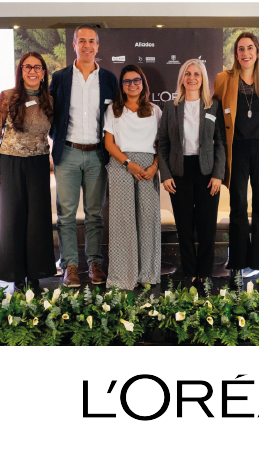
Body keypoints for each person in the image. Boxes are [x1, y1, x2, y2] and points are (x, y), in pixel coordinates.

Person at [50, 24, 118, 287]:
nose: (87, 45)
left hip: (97, 155)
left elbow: (116, 116)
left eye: (91, 41)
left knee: (94, 214)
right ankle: (70, 266)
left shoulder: (109, 79)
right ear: (74, 45)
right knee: (66, 215)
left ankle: (94, 263)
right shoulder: (60, 78)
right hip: (67, 153)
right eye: (82, 41)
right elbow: (49, 113)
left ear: (98, 46)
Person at [213, 32, 259, 285]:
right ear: (236, 54)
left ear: (258, 51)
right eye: (241, 49)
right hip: (236, 148)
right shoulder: (224, 79)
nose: (245, 53)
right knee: (238, 206)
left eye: (250, 48)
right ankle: (238, 265)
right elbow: (215, 110)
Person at [0, 52, 56, 292]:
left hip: (38, 163)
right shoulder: (7, 97)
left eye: (37, 67)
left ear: (43, 72)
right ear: (21, 71)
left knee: (38, 218)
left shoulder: (50, 100)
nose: (32, 71)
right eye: (28, 67)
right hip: (11, 161)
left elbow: (55, 132)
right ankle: (16, 274)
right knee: (13, 217)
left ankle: (36, 274)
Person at [158, 59, 226, 288]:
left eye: (196, 74)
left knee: (207, 225)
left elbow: (220, 144)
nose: (192, 78)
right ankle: (190, 272)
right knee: (184, 226)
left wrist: (218, 174)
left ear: (203, 78)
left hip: (207, 172)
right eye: (187, 73)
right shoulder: (171, 107)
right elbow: (163, 144)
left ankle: (205, 273)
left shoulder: (213, 106)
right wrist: (166, 175)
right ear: (182, 78)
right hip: (179, 171)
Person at [103, 65, 162, 290]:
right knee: (123, 222)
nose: (132, 84)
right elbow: (109, 143)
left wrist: (155, 166)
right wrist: (128, 163)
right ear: (121, 86)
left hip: (148, 168)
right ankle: (123, 276)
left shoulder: (155, 110)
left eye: (136, 80)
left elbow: (162, 143)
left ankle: (147, 274)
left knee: (148, 220)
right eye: (127, 81)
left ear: (143, 83)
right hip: (121, 165)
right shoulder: (113, 110)